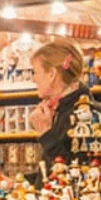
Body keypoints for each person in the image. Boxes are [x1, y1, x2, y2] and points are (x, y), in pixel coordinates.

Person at [29, 39, 91, 167]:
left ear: (52, 74)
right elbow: (50, 171)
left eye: (35, 72)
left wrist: (45, 133)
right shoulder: (58, 109)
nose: (33, 79)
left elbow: (72, 170)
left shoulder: (82, 114)